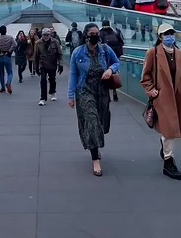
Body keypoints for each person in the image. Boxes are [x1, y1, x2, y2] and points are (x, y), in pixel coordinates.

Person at [68, 23, 120, 176]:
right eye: (92, 33)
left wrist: (110, 70)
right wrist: (71, 96)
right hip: (84, 90)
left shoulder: (105, 49)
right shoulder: (78, 53)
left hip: (102, 90)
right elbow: (73, 74)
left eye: (97, 33)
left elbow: (117, 62)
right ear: (86, 35)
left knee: (101, 122)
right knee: (91, 121)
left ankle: (96, 143)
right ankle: (95, 158)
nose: (95, 36)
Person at [141, 23, 181, 180]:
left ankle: (165, 147)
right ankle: (169, 162)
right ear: (160, 37)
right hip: (163, 98)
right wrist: (152, 90)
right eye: (166, 34)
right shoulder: (153, 53)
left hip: (178, 97)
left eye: (171, 33)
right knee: (170, 130)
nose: (170, 36)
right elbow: (145, 76)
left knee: (171, 129)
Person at [34, 27, 63, 106]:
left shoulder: (55, 42)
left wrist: (60, 64)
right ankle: (43, 98)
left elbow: (59, 54)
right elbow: (36, 56)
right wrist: (35, 67)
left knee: (52, 79)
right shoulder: (38, 43)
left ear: (50, 35)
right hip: (43, 64)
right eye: (44, 35)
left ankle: (52, 92)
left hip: (52, 63)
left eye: (47, 35)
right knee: (43, 80)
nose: (46, 36)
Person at [99, 20, 124, 101]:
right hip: (115, 56)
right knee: (113, 73)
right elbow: (121, 42)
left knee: (104, 75)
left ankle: (107, 95)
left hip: (104, 57)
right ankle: (114, 90)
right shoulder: (114, 32)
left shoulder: (100, 33)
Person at [0, 25, 16, 94]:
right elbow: (14, 45)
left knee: (1, 73)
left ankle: (2, 87)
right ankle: (8, 82)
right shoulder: (10, 38)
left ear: (0, 32)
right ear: (6, 31)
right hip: (7, 56)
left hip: (0, 56)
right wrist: (9, 51)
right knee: (10, 72)